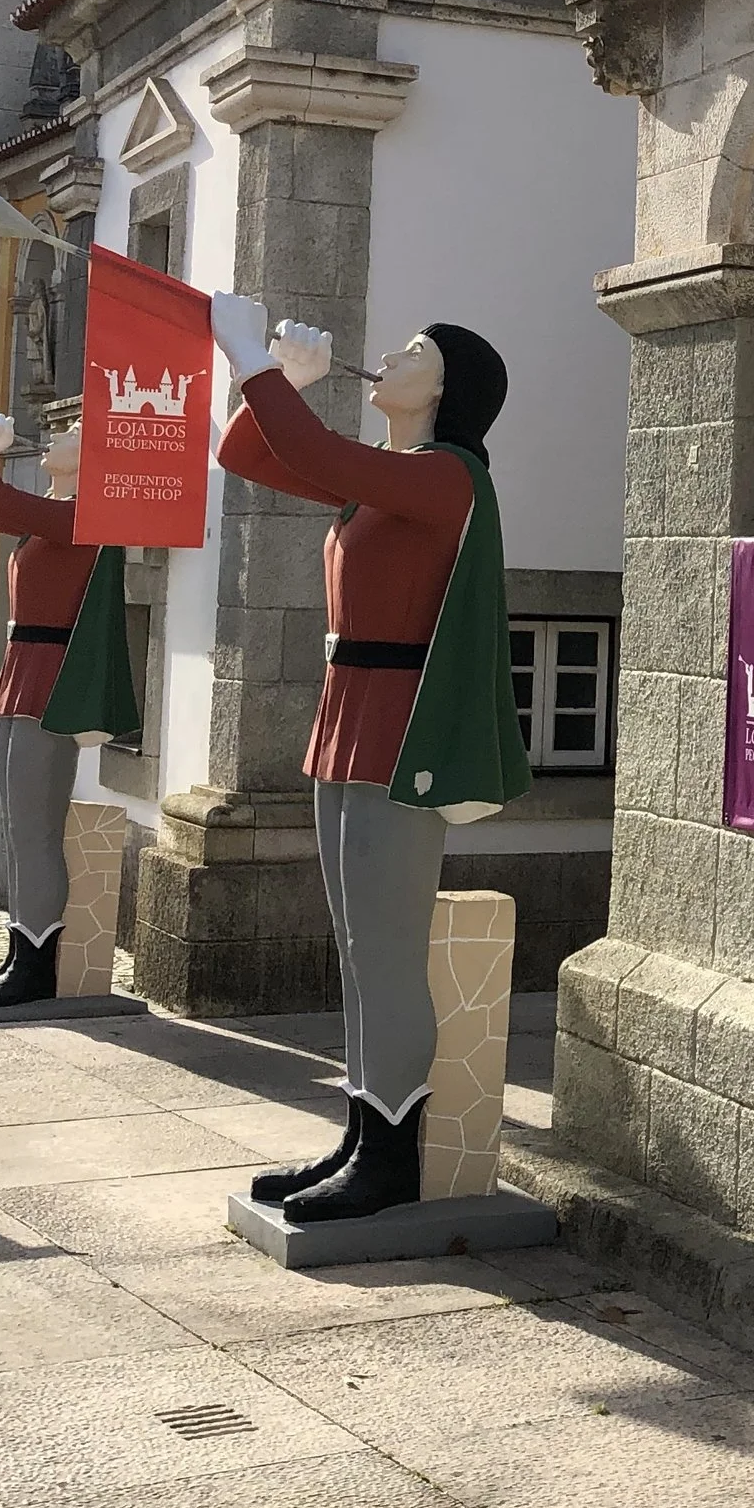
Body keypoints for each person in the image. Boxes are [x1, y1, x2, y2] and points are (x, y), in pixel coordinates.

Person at [211, 300, 529, 1221]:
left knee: (387, 954)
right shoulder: (392, 476)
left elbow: (309, 453)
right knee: (357, 951)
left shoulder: (449, 476)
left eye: (416, 352)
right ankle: (363, 1134)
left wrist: (253, 361)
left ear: (448, 388)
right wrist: (282, 384)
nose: (388, 355)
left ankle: (390, 1154)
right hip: (350, 715)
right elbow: (248, 453)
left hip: (400, 730)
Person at [0, 397, 138, 1010]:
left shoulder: (85, 515)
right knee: (22, 830)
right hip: (26, 671)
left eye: (72, 430)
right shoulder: (52, 513)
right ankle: (21, 954)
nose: (56, 435)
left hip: (49, 679)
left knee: (37, 830)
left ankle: (36, 967)